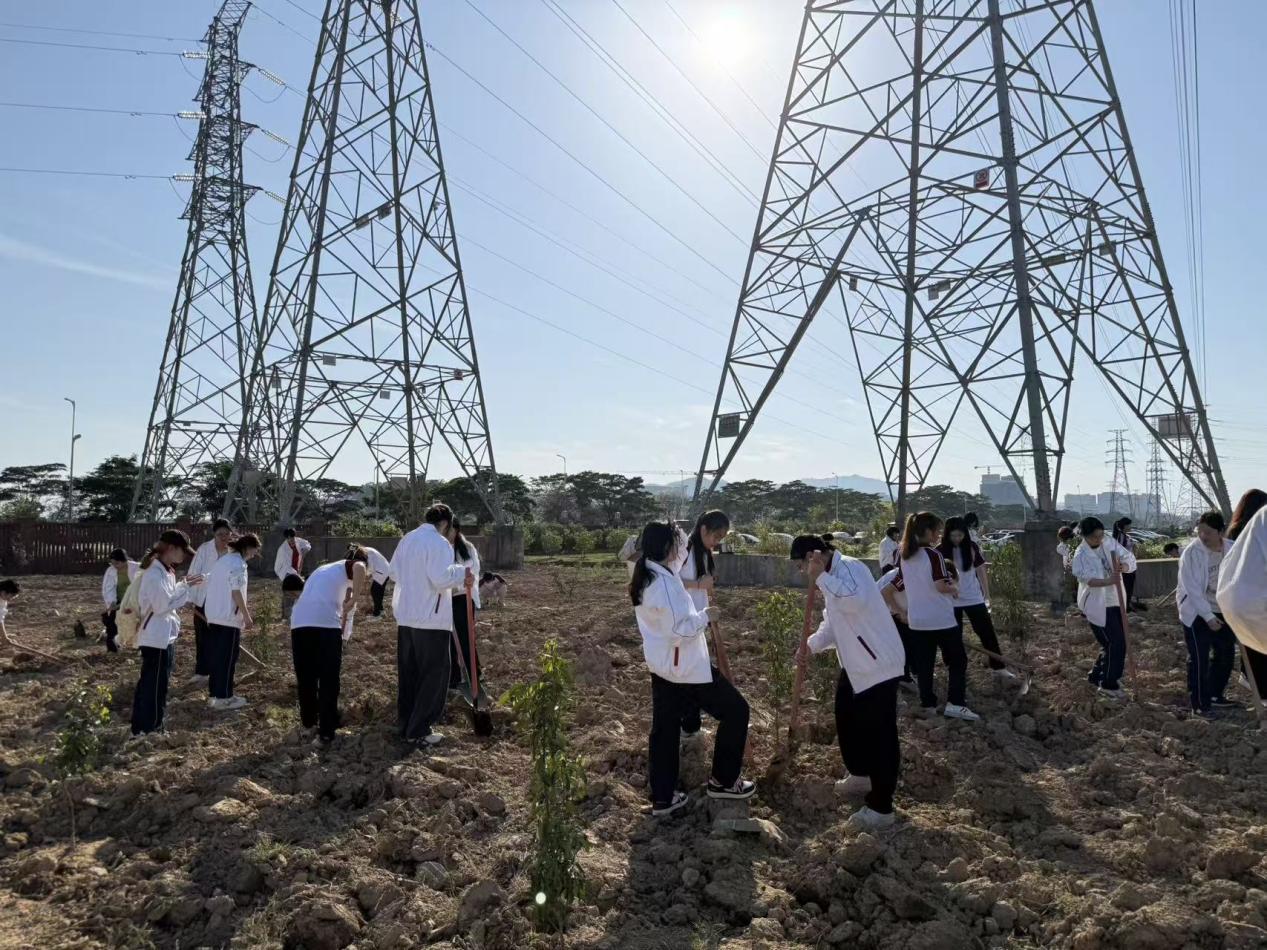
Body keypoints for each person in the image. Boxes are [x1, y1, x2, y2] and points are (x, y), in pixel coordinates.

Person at [631, 521, 753, 817]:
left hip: (664, 666)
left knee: (664, 731)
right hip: (685, 667)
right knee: (737, 711)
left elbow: (683, 550)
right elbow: (680, 630)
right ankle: (724, 781)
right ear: (666, 547)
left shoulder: (650, 573)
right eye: (675, 542)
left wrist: (690, 531)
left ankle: (663, 797)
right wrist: (706, 616)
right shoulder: (664, 585)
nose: (680, 548)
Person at [792, 535, 904, 830]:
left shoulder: (850, 568)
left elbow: (854, 601)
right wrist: (810, 646)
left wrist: (821, 578)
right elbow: (832, 624)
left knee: (880, 735)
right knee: (846, 717)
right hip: (857, 665)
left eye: (802, 565)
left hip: (878, 663)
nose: (803, 572)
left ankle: (881, 807)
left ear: (814, 556)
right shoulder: (831, 577)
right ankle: (861, 774)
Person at [390, 503, 472, 747]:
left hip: (406, 617)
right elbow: (440, 578)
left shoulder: (407, 539)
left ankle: (405, 725)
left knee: (409, 675)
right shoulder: (439, 543)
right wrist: (461, 573)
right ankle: (419, 730)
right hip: (431, 620)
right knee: (434, 675)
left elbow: (394, 572)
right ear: (445, 523)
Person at [894, 512, 980, 721]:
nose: (939, 535)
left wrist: (903, 611)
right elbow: (941, 586)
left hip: (917, 621)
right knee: (958, 660)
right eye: (937, 531)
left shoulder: (904, 556)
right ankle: (956, 703)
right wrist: (955, 588)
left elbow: (901, 585)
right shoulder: (934, 556)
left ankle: (928, 705)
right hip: (940, 619)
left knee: (925, 665)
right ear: (927, 531)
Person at [290, 545, 369, 744]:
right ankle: (326, 732)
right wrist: (355, 599)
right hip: (324, 625)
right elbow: (360, 567)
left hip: (299, 624)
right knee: (328, 679)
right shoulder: (350, 565)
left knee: (306, 678)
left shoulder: (323, 570)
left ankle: (308, 725)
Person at [132, 530, 202, 736]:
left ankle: (146, 727)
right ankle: (149, 729)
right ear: (171, 548)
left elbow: (168, 598)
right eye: (182, 551)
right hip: (155, 638)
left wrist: (183, 585)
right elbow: (162, 605)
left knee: (155, 685)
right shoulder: (155, 573)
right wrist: (185, 588)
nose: (184, 556)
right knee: (154, 687)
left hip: (162, 636)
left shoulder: (165, 571)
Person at [938, 517, 1015, 681]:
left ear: (965, 534)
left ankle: (998, 667)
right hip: (950, 600)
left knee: (987, 632)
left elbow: (981, 570)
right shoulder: (940, 550)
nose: (957, 539)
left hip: (973, 597)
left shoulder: (971, 547)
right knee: (951, 636)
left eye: (960, 535)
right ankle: (953, 668)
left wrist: (986, 594)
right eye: (953, 536)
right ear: (947, 535)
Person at [676, 510, 731, 738]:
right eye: (715, 536)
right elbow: (670, 581)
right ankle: (688, 728)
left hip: (699, 621)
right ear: (703, 529)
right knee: (689, 675)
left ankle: (691, 725)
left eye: (720, 539)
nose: (716, 542)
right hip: (684, 623)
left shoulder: (705, 552)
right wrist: (698, 584)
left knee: (695, 674)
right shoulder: (684, 550)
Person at [1072, 516, 1137, 700]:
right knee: (1116, 644)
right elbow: (1087, 579)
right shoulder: (1081, 554)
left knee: (1112, 643)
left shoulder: (1108, 541)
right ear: (1084, 536)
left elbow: (1129, 557)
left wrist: (1124, 566)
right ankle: (1109, 684)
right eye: (1094, 537)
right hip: (1097, 604)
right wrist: (1109, 581)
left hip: (1116, 600)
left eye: (1101, 535)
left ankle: (1096, 676)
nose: (1099, 539)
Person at [1177, 512, 1236, 714]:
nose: (1203, 536)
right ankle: (1199, 704)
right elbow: (1192, 589)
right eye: (1200, 531)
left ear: (1220, 532)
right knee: (1199, 658)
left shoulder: (1233, 548)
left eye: (1208, 532)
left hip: (1223, 609)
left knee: (1225, 654)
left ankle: (1214, 693)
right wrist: (1208, 617)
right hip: (1196, 611)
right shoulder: (1191, 553)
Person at [202, 534, 262, 711]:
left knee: (217, 657)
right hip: (228, 618)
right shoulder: (237, 564)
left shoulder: (222, 561)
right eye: (255, 550)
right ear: (247, 548)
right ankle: (224, 697)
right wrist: (246, 615)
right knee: (227, 659)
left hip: (214, 616)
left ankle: (215, 694)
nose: (254, 554)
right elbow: (236, 591)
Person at [1219, 489, 1267, 706]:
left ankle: (1254, 685)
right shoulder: (1255, 529)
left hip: (1237, 598)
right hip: (1255, 597)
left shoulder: (1238, 531)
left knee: (1252, 645)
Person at [187, 518, 233, 686]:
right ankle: (201, 671)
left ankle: (217, 672)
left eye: (226, 534)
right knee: (202, 637)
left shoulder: (234, 552)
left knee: (219, 638)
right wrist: (190, 597)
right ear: (214, 534)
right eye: (220, 534)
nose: (223, 537)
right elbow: (194, 572)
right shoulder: (204, 549)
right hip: (203, 598)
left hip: (222, 601)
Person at [445, 517, 483, 693]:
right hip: (445, 599)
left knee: (466, 637)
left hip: (464, 598)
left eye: (450, 530)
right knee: (449, 640)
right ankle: (453, 678)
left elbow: (473, 571)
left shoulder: (467, 548)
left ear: (457, 530)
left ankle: (474, 675)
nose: (447, 534)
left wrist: (459, 585)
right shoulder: (440, 548)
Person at [877, 565, 917, 693]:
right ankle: (902, 678)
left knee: (909, 643)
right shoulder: (906, 573)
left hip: (894, 611)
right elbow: (884, 592)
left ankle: (910, 672)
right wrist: (899, 612)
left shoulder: (914, 571)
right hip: (883, 611)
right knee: (903, 645)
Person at [101, 548, 139, 654]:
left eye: (117, 563)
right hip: (118, 600)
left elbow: (141, 586)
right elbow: (108, 588)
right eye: (112, 563)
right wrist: (112, 602)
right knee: (111, 624)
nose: (114, 566)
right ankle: (112, 649)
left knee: (137, 624)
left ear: (124, 560)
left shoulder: (137, 568)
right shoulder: (111, 571)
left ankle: (141, 647)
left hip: (135, 600)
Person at [274, 528, 311, 621]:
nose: (291, 540)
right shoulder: (283, 549)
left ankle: (296, 612)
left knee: (297, 591)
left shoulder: (298, 541)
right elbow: (286, 566)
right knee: (288, 593)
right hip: (285, 571)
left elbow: (307, 544)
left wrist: (304, 551)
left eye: (292, 538)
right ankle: (285, 615)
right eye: (289, 539)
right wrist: (297, 575)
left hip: (295, 570)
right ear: (286, 538)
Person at [1112, 517, 1143, 612]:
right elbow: (1119, 552)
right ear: (1124, 526)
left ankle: (1126, 605)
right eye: (1129, 525)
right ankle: (1125, 607)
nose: (1131, 526)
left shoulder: (1123, 536)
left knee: (1128, 587)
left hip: (1128, 565)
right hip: (1125, 566)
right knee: (1127, 587)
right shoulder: (1120, 537)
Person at [362, 545, 391, 618]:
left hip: (382, 572)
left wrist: (367, 575)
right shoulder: (368, 551)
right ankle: (381, 611)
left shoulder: (368, 552)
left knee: (375, 591)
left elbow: (371, 566)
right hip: (383, 571)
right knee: (378, 592)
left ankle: (377, 613)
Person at [0, 579, 20, 650]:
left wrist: (4, 637)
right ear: (3, 592)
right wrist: (4, 637)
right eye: (11, 596)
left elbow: (1, 619)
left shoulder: (2, 601)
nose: (11, 599)